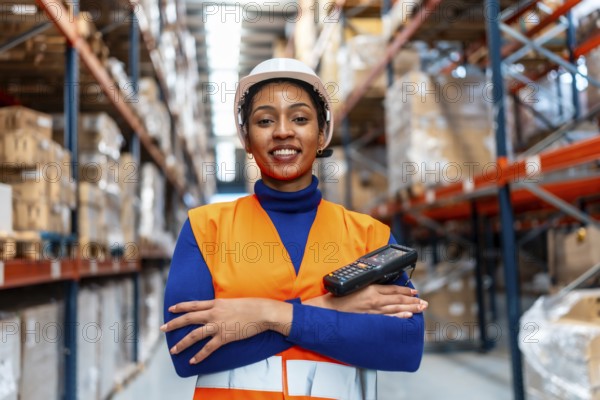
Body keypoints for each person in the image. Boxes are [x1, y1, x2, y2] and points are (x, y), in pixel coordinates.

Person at [161, 58, 427, 400]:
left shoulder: (369, 236)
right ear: (246, 137)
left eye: (300, 118)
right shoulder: (205, 228)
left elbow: (404, 347)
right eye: (265, 120)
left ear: (321, 134)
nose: (283, 131)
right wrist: (331, 307)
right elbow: (186, 353)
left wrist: (268, 314)